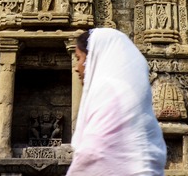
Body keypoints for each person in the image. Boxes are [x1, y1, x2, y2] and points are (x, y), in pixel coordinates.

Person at [69, 28, 165, 176]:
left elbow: (95, 152)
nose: (77, 67)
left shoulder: (108, 91)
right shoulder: (128, 92)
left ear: (93, 58)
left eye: (79, 58)